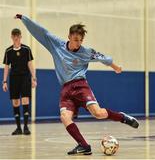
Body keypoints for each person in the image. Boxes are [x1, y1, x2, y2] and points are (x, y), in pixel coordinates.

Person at [15, 14, 139, 154]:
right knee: (64, 117)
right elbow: (41, 32)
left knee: (98, 113)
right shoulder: (57, 45)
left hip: (80, 86)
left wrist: (116, 67)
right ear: (69, 37)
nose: (78, 43)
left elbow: (103, 58)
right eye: (75, 40)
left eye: (80, 40)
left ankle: (122, 117)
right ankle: (84, 146)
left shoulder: (85, 52)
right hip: (66, 90)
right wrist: (24, 18)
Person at [2, 28, 37, 135]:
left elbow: (30, 64)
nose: (16, 38)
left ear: (20, 37)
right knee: (15, 101)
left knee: (25, 100)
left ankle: (26, 127)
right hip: (14, 79)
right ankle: (18, 128)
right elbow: (7, 67)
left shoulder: (26, 49)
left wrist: (34, 78)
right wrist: (4, 81)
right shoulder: (8, 51)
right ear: (12, 37)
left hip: (25, 77)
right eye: (14, 36)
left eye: (18, 36)